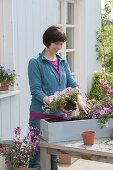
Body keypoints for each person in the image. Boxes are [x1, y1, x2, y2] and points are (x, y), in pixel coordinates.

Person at [28, 25, 90, 170]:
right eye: (56, 43)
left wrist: (79, 99)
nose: (59, 47)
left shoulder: (62, 62)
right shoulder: (35, 62)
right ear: (47, 41)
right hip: (40, 117)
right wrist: (56, 103)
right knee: (37, 157)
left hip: (58, 117)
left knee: (54, 157)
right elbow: (36, 92)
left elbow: (71, 83)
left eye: (61, 44)